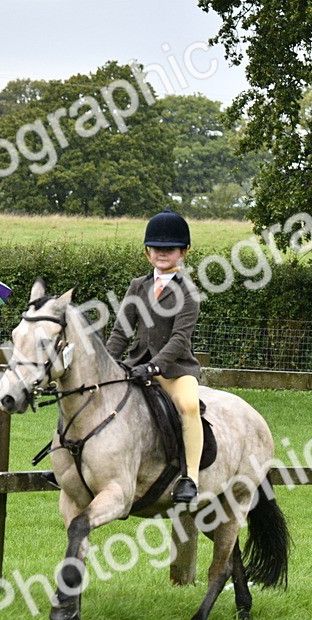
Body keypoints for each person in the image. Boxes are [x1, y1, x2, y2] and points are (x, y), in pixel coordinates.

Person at [105, 210, 202, 504]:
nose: (162, 254)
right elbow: (122, 332)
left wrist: (154, 366)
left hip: (174, 369)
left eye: (169, 249)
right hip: (136, 365)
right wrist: (106, 364)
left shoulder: (189, 292)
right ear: (147, 252)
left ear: (183, 252)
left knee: (189, 406)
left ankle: (191, 478)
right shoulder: (138, 286)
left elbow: (179, 339)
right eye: (157, 249)